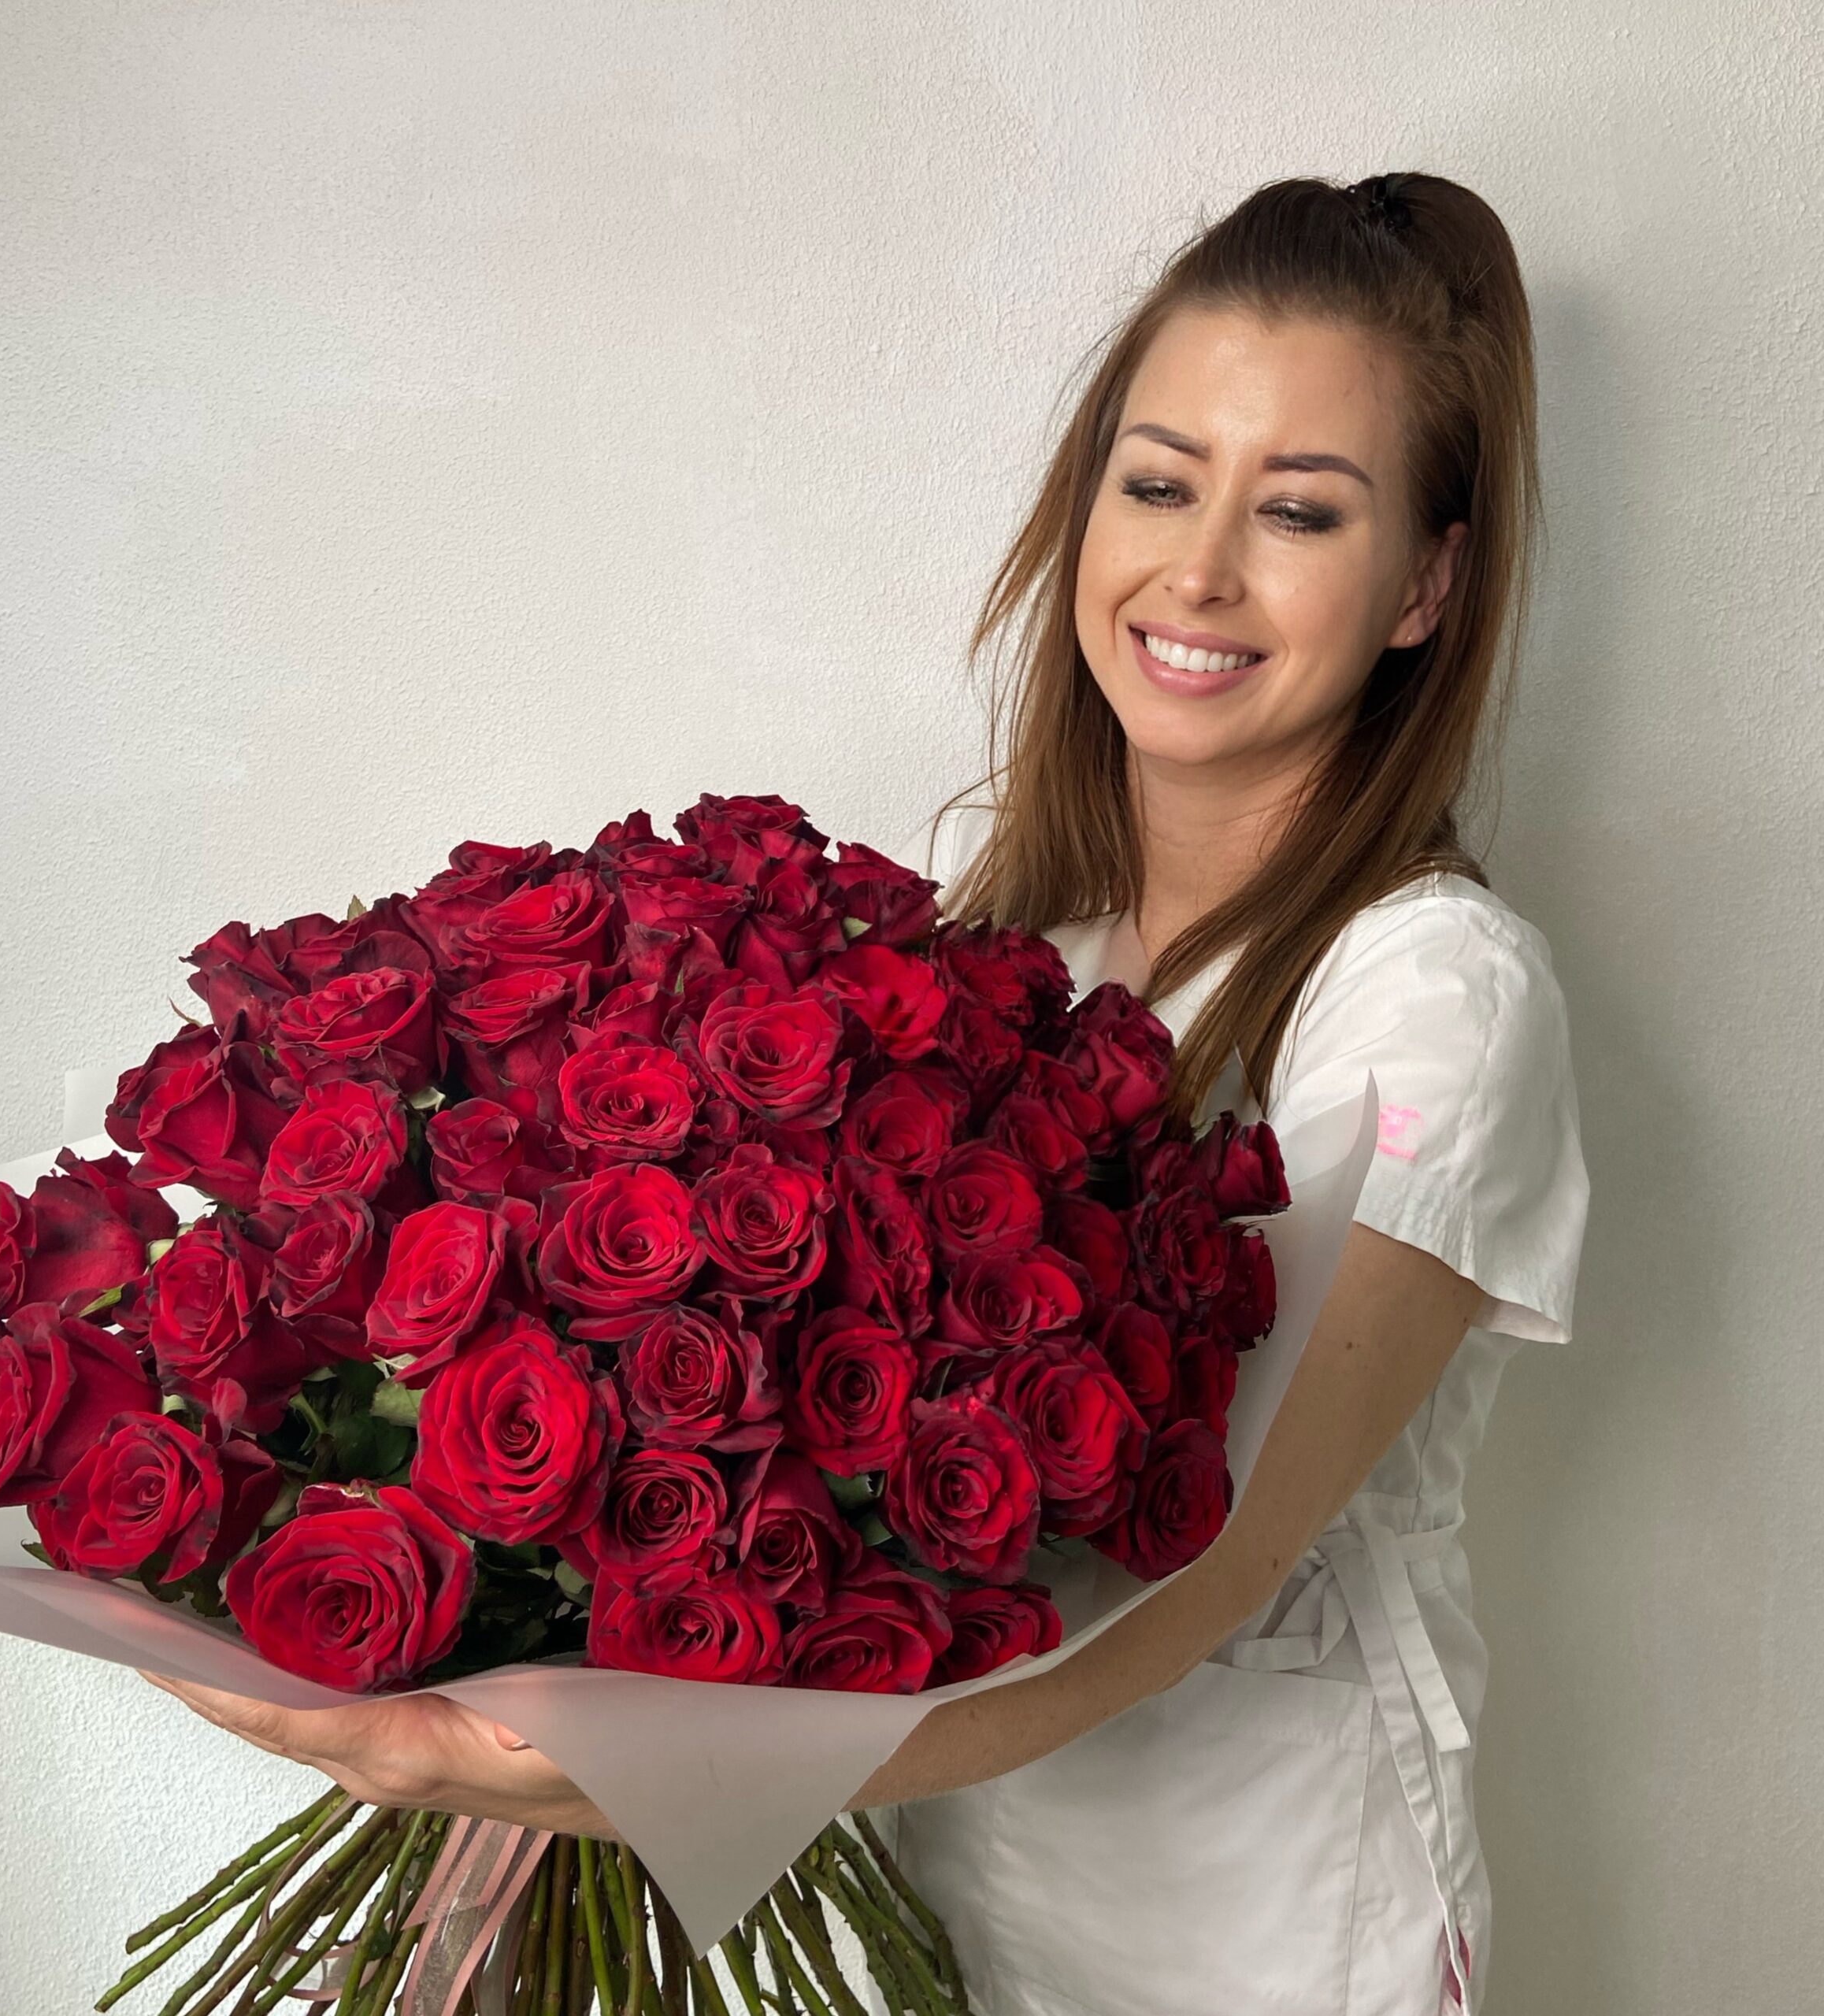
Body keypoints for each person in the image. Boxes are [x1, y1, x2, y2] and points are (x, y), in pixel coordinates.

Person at [143, 171, 1588, 2016]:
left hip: (1267, 1939)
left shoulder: (1436, 992)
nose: (1200, 570)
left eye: (1298, 510)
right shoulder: (1025, 947)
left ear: (1425, 587)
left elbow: (1189, 1583)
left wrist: (610, 1767)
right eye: (1158, 483)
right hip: (956, 1921)